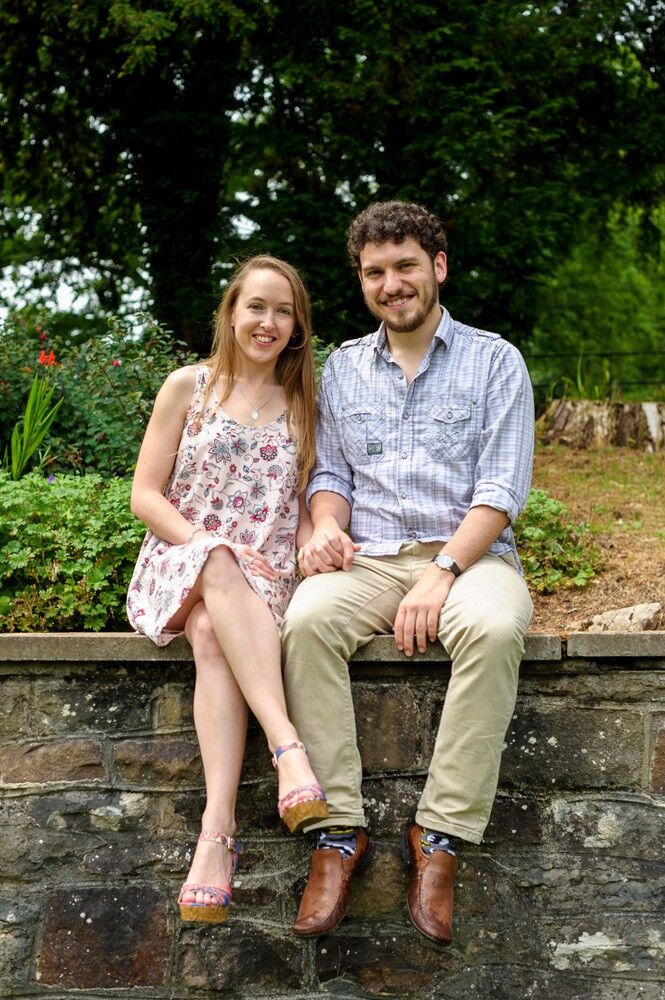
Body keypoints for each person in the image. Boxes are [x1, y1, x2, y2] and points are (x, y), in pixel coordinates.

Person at [282, 201, 534, 945]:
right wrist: (325, 523)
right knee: (304, 621)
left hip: (471, 558)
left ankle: (441, 837)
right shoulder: (343, 367)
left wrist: (444, 571)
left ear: (437, 268)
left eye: (405, 267)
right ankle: (337, 832)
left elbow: (501, 490)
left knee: (491, 628)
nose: (391, 284)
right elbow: (329, 472)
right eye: (374, 272)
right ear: (361, 280)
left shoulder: (495, 360)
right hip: (370, 558)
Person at [127, 255, 329, 925]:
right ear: (230, 313)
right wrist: (208, 544)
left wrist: (312, 536)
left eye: (282, 311)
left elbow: (305, 502)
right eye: (256, 307)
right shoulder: (189, 386)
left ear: (296, 326)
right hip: (181, 556)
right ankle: (287, 749)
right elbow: (144, 495)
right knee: (217, 560)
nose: (267, 322)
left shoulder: (304, 402)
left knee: (214, 630)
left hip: (263, 578)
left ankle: (216, 839)